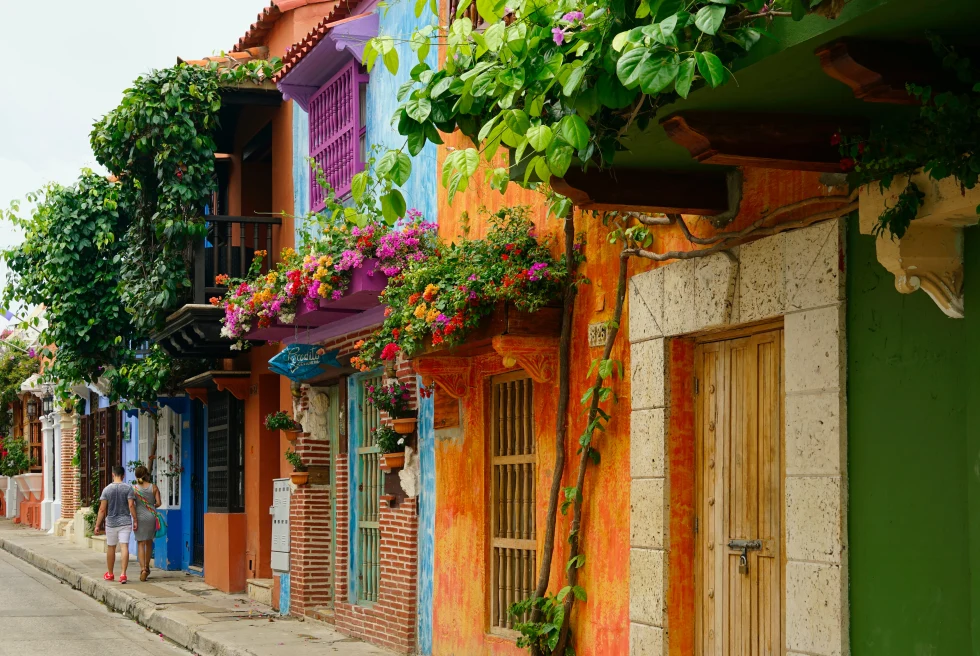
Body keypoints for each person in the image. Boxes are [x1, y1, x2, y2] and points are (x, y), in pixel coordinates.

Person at [94, 466, 137, 584]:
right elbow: (131, 505)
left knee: (111, 547)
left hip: (111, 523)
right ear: (123, 475)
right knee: (124, 547)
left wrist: (97, 525)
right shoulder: (128, 488)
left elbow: (102, 509)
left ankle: (110, 573)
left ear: (113, 474)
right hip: (125, 522)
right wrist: (135, 520)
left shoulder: (107, 489)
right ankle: (123, 574)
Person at [132, 465, 161, 582]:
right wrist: (151, 505)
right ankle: (147, 568)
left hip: (139, 517)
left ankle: (142, 569)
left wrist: (135, 517)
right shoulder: (153, 487)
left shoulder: (134, 489)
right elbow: (158, 503)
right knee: (148, 543)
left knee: (140, 543)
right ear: (147, 475)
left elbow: (131, 504)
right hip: (151, 517)